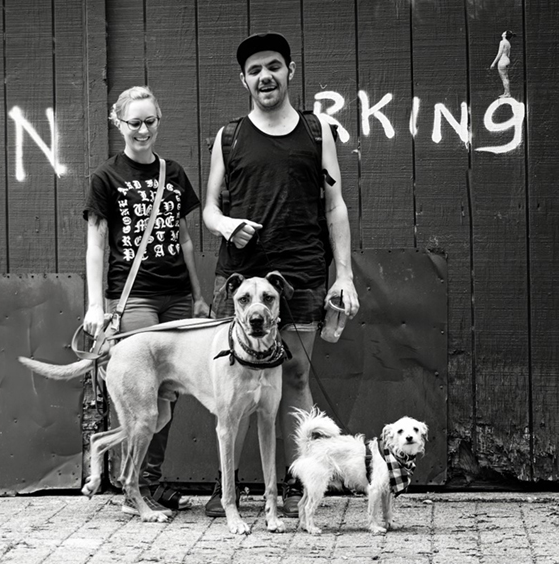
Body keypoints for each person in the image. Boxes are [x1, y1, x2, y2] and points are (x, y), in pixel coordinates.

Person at [202, 32, 360, 519]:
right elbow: (209, 209)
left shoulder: (317, 130)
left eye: (273, 66)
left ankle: (297, 484)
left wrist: (345, 275)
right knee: (233, 382)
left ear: (290, 70)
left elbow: (334, 205)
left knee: (295, 375)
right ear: (244, 80)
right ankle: (227, 487)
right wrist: (227, 226)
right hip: (240, 278)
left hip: (302, 273)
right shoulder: (229, 137)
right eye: (254, 70)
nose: (265, 76)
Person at [83, 85, 209, 517]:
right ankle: (134, 489)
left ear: (159, 121)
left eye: (150, 121)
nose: (142, 130)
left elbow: (185, 239)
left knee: (166, 399)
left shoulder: (173, 173)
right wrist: (96, 305)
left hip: (177, 298)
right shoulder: (106, 177)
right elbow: (96, 245)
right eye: (134, 122)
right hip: (133, 297)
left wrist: (198, 296)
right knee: (143, 396)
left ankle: (147, 481)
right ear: (118, 123)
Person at [490, 30, 516, 98]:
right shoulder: (508, 43)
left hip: (502, 60)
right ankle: (506, 92)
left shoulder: (502, 42)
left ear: (505, 35)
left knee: (504, 78)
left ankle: (507, 93)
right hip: (507, 60)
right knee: (506, 77)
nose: (502, 33)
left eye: (504, 32)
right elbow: (508, 54)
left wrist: (493, 63)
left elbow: (499, 53)